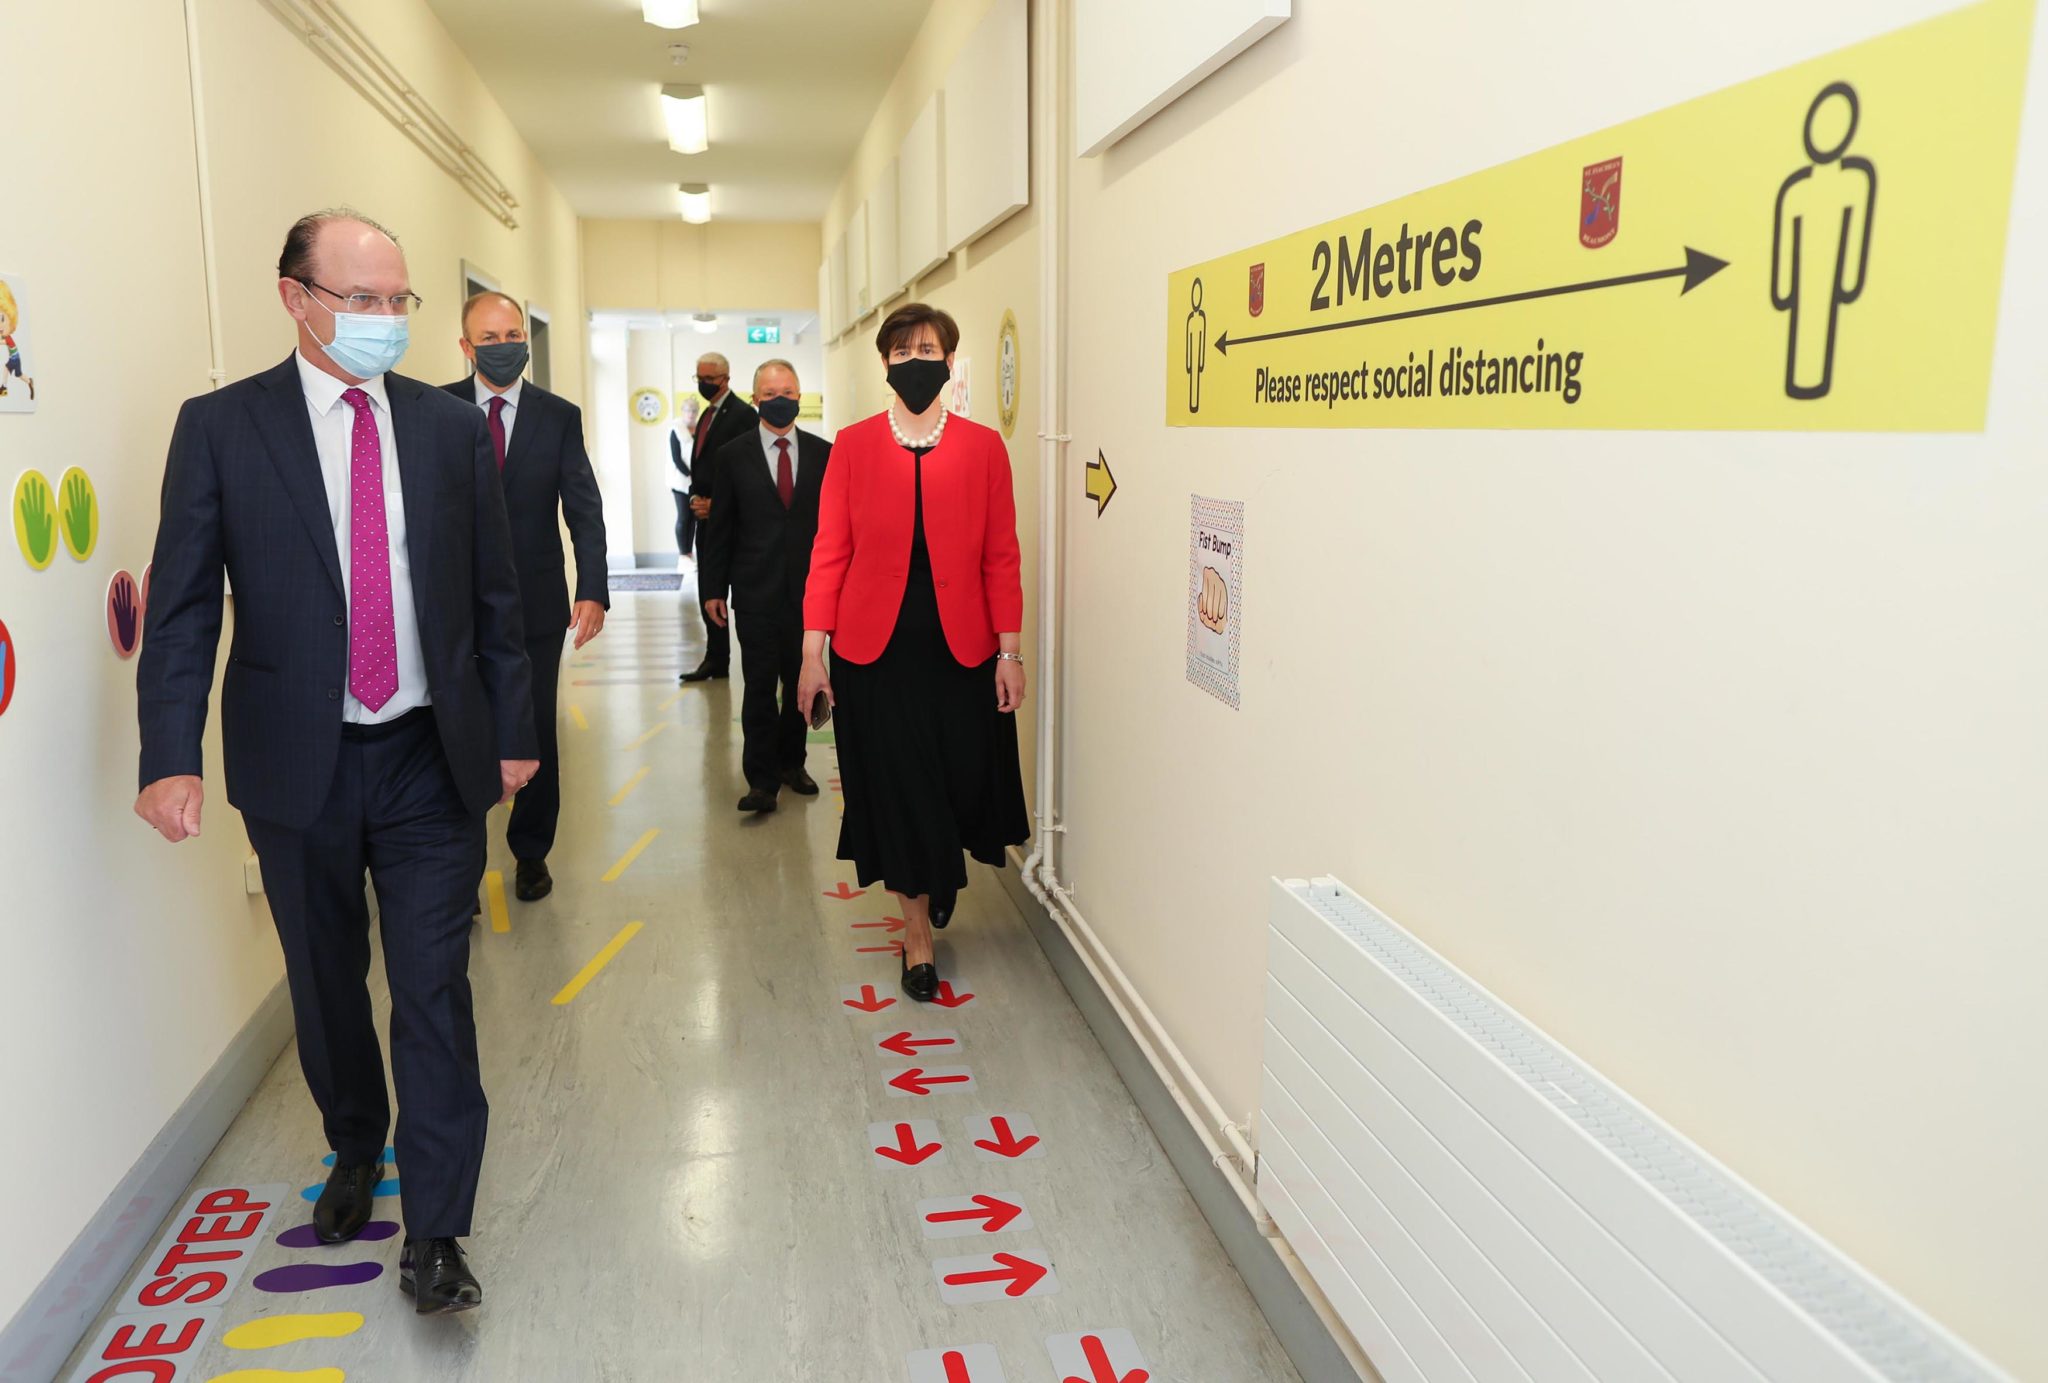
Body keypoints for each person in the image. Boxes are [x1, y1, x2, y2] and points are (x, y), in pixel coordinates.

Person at [134, 209, 536, 1315]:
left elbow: (496, 596)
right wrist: (170, 755)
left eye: (397, 302)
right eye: (361, 300)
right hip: (293, 758)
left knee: (433, 989)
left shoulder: (448, 433)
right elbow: (178, 612)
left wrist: (513, 732)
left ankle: (440, 1231)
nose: (384, 321)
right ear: (295, 297)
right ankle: (357, 1143)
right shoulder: (220, 429)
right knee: (322, 984)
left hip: (425, 755)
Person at [798, 304, 1030, 1002]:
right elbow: (829, 553)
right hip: (876, 653)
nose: (915, 360)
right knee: (898, 786)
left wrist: (1009, 652)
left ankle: (937, 870)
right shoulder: (854, 445)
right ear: (885, 364)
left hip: (962, 648)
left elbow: (1002, 555)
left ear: (950, 360)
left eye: (927, 348)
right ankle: (916, 931)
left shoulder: (985, 447)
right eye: (902, 351)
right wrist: (814, 652)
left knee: (957, 777)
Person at [442, 290, 609, 901]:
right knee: (454, 731)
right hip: (452, 609)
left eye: (513, 335)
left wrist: (593, 588)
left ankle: (532, 851)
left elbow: (583, 508)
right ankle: (457, 862)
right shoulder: (435, 409)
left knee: (533, 727)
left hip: (534, 605)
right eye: (489, 338)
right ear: (466, 347)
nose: (504, 346)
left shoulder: (557, 416)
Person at [700, 360, 831, 814]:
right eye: (771, 391)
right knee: (758, 687)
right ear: (755, 398)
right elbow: (719, 528)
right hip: (754, 592)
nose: (780, 398)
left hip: (809, 595)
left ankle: (793, 763)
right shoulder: (733, 455)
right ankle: (761, 780)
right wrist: (712, 588)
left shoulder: (824, 454)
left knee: (802, 682)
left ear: (800, 395)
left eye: (789, 391)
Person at [679, 352, 757, 682]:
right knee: (707, 589)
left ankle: (741, 657)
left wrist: (720, 504)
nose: (703, 384)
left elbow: (748, 470)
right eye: (698, 378)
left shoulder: (741, 415)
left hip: (732, 521)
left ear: (725, 378)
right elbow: (704, 466)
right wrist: (696, 497)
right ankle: (716, 657)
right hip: (705, 519)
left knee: (733, 591)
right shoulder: (708, 414)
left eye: (708, 379)